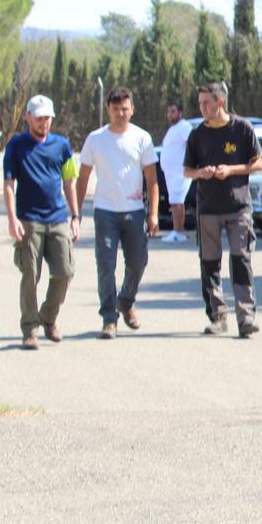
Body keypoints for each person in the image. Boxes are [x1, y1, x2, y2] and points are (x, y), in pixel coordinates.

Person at [75, 87, 159, 339]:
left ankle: (126, 300)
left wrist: (153, 213)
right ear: (108, 110)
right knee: (105, 264)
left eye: (125, 108)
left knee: (138, 261)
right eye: (115, 109)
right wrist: (75, 213)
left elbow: (152, 179)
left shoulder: (142, 138)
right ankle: (109, 317)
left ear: (132, 109)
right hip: (105, 211)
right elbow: (83, 178)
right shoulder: (96, 139)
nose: (120, 113)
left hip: (134, 212)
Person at [183, 82, 262, 337]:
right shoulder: (197, 134)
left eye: (206, 102)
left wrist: (231, 170)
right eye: (200, 103)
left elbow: (258, 163)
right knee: (209, 264)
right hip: (208, 208)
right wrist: (201, 173)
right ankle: (217, 317)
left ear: (220, 102)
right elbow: (187, 170)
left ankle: (246, 317)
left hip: (238, 207)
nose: (202, 107)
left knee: (241, 259)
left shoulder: (242, 128)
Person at [4, 95, 80, 350]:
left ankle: (48, 317)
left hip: (57, 218)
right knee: (30, 274)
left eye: (48, 118)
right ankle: (30, 329)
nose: (44, 123)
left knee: (65, 271)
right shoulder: (16, 146)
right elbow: (8, 184)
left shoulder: (62, 145)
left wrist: (75, 216)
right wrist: (13, 219)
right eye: (39, 118)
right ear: (28, 117)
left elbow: (69, 181)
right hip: (29, 220)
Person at [159, 101, 193, 242]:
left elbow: (192, 144)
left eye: (173, 111)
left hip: (180, 172)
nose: (170, 114)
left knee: (177, 202)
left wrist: (190, 165)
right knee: (175, 202)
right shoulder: (173, 129)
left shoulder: (184, 127)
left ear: (180, 113)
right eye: (168, 112)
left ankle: (178, 232)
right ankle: (177, 230)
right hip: (171, 173)